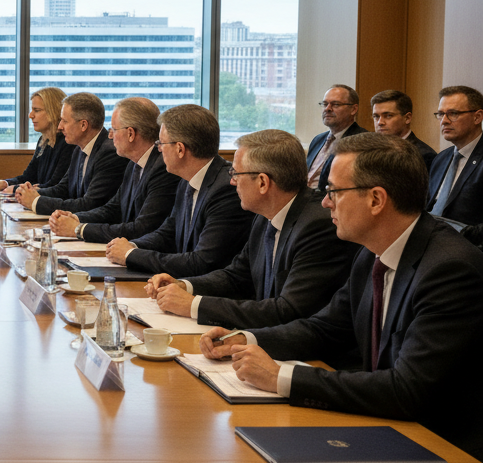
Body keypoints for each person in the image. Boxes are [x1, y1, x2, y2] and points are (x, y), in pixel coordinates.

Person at [201, 133, 483, 461]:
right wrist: (243, 340)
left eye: (334, 191)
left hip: (445, 450)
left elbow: (408, 389)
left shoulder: (450, 269)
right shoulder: (371, 253)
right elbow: (325, 328)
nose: (325, 202)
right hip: (387, 428)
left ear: (376, 200)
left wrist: (281, 377)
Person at [145, 130, 358, 332]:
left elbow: (287, 311)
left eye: (236, 173)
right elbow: (237, 276)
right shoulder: (265, 215)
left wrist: (194, 305)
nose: (232, 181)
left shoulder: (317, 227)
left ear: (263, 182)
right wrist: (184, 285)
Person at [105, 104, 250, 277]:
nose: (158, 148)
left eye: (161, 143)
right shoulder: (186, 180)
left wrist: (130, 255)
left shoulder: (226, 190)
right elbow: (168, 233)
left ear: (180, 149)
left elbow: (201, 262)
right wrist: (132, 246)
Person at [47, 97, 178, 243]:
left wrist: (79, 229)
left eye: (114, 129)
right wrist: (75, 218)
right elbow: (114, 208)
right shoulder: (133, 163)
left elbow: (142, 228)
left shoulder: (162, 169)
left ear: (130, 134)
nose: (109, 135)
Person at [16, 92, 126, 215]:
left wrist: (36, 201)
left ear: (83, 125)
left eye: (64, 121)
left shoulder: (110, 153)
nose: (60, 126)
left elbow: (90, 204)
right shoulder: (79, 148)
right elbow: (63, 189)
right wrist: (29, 193)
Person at [424, 85, 483, 246]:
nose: (444, 121)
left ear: (477, 117)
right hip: (430, 243)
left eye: (453, 114)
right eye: (440, 114)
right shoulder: (441, 158)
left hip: (468, 248)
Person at [0, 87, 75, 193]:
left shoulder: (68, 143)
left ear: (53, 111)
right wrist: (5, 183)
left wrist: (15, 189)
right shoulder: (44, 140)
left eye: (37, 110)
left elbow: (56, 186)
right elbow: (28, 177)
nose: (30, 115)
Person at [305, 84, 367, 195]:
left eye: (336, 104)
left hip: (330, 199)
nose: (327, 109)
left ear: (353, 109)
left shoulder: (362, 141)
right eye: (325, 104)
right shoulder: (318, 140)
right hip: (305, 197)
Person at [370, 89, 436, 168]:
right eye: (376, 116)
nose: (380, 122)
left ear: (407, 118)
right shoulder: (369, 151)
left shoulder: (424, 155)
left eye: (388, 116)